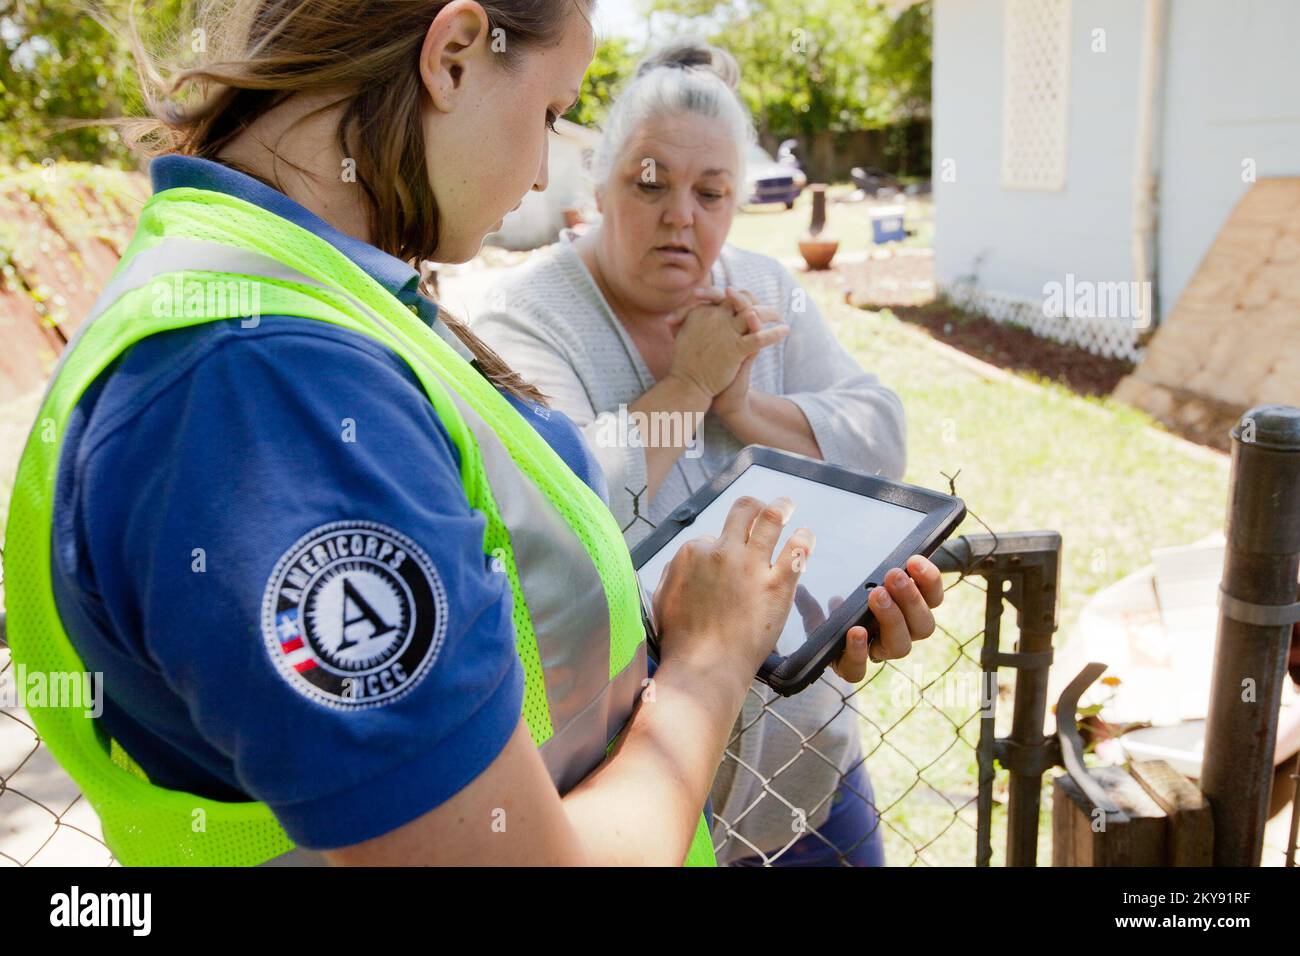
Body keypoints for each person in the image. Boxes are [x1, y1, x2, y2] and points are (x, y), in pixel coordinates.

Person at [3, 0, 943, 867]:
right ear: (454, 57)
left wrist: (708, 617)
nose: (541, 171)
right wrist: (709, 664)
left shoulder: (319, 307)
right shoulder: (266, 388)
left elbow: (518, 585)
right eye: (549, 113)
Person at [473, 38, 909, 865]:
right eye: (650, 182)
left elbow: (880, 435)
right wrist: (688, 387)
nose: (682, 215)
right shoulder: (523, 319)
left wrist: (742, 408)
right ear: (599, 181)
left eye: (711, 192)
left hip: (810, 763)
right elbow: (564, 514)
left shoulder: (764, 286)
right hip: (635, 794)